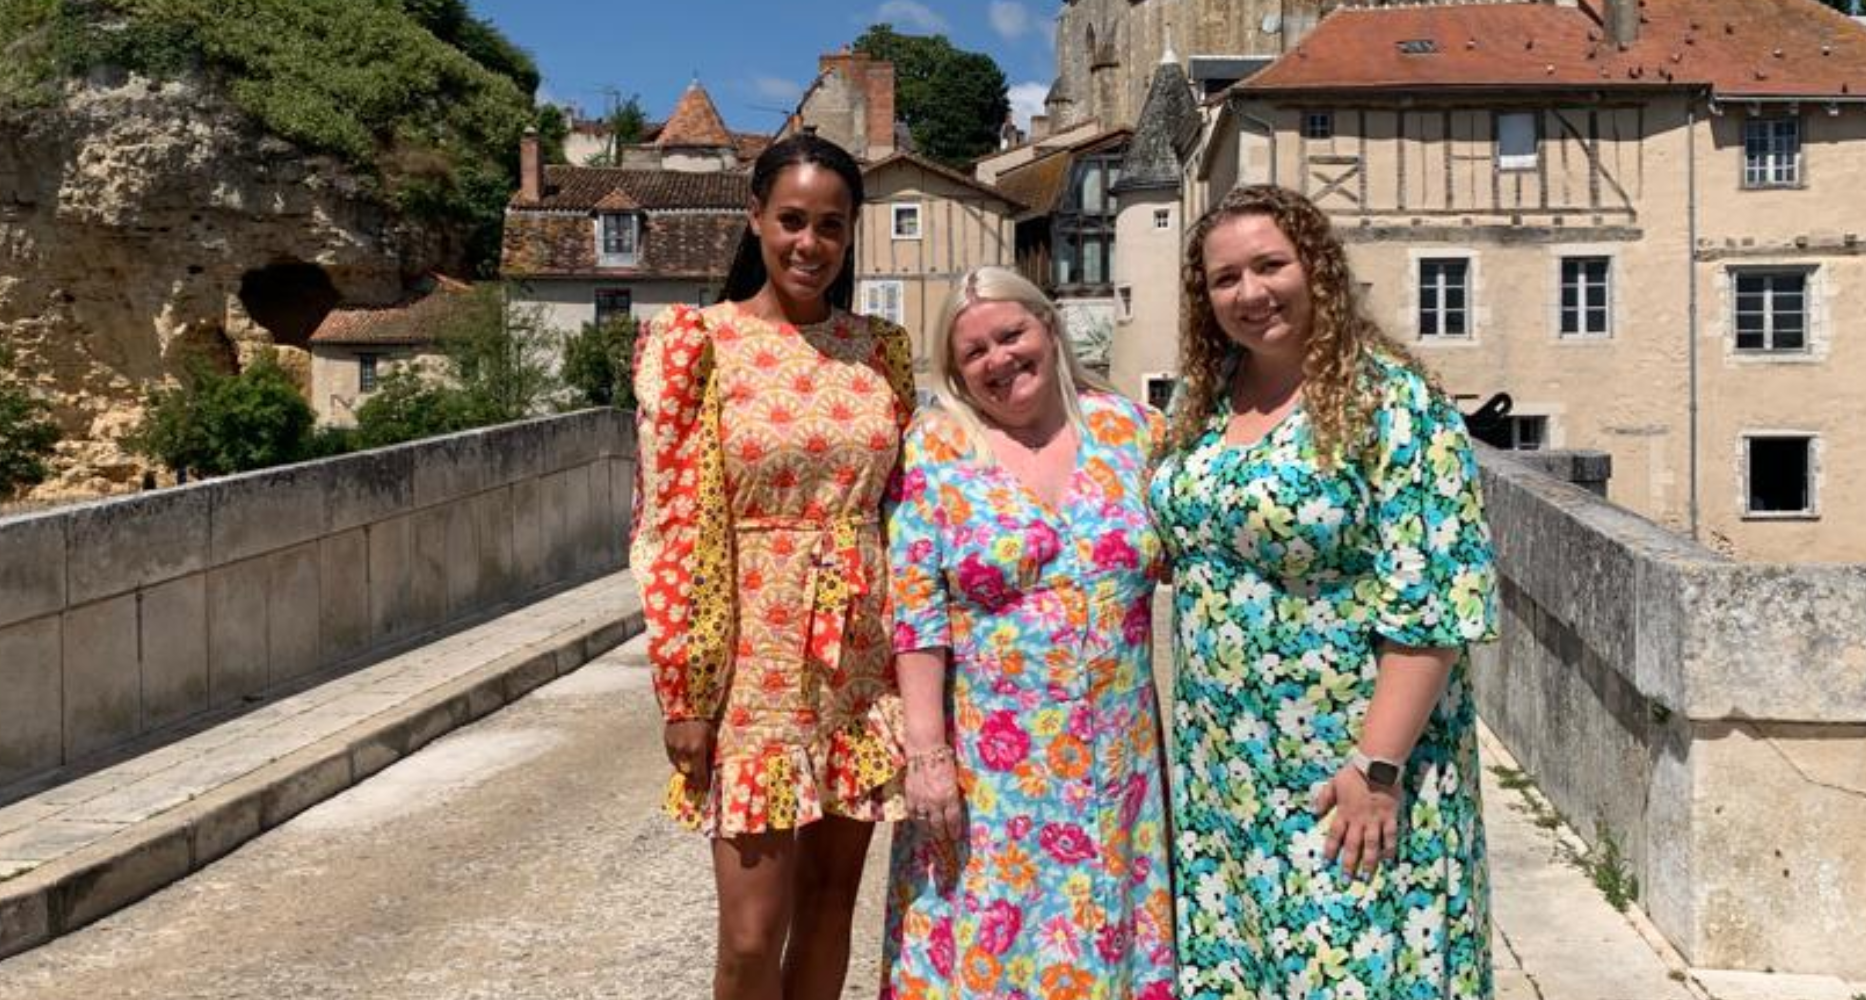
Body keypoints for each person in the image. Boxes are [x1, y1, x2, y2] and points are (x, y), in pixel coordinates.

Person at [1149, 185, 1500, 999]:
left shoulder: (1391, 402)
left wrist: (1375, 768)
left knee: (1352, 969)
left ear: (1317, 268)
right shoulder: (1203, 398)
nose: (1250, 292)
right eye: (1225, 278)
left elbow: (1432, 602)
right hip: (1225, 771)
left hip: (1344, 764)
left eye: (1270, 266)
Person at [628, 133, 913, 1000]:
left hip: (858, 657)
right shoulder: (696, 342)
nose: (809, 244)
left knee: (829, 907)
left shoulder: (880, 348)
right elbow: (672, 520)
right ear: (754, 218)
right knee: (753, 935)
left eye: (831, 225)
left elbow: (905, 506)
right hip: (750, 661)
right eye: (791, 220)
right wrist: (686, 692)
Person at [880, 266, 1175, 1000]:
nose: (998, 359)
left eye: (1011, 334)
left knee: (1106, 943)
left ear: (1049, 325)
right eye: (973, 352)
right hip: (991, 769)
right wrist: (926, 756)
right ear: (956, 371)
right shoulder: (936, 448)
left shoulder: (1134, 431)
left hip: (1117, 762)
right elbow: (916, 615)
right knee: (991, 950)